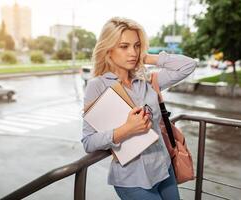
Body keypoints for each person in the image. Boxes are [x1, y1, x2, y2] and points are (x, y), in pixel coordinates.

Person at [82, 17, 197, 200]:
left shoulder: (148, 80)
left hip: (164, 168)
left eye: (136, 46)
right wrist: (126, 129)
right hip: (132, 180)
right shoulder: (97, 86)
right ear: (108, 49)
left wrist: (146, 57)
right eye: (124, 46)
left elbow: (188, 65)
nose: (132, 52)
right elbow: (88, 142)